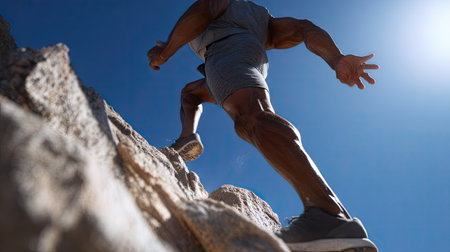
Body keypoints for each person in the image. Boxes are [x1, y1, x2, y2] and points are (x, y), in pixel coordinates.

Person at [147, 0, 379, 251]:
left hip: (226, 55)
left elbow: (203, 11)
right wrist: (336, 58)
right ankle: (187, 138)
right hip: (246, 58)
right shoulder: (259, 16)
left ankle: (328, 213)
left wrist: (166, 51)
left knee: (252, 116)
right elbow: (303, 28)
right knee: (191, 94)